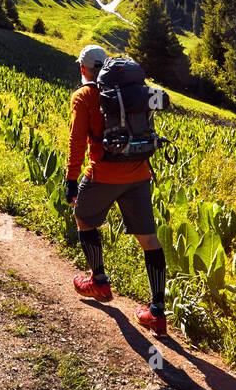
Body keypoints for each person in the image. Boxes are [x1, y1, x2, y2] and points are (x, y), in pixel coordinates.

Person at [66, 44, 167, 334]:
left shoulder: (84, 96)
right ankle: (157, 313)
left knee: (84, 219)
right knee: (149, 240)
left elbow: (76, 143)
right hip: (138, 174)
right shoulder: (132, 93)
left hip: (103, 175)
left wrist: (72, 180)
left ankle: (98, 281)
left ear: (84, 69)